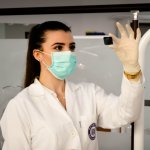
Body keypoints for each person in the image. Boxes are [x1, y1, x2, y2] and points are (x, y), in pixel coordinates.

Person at [0, 21, 144, 150]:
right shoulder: (20, 107)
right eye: (58, 47)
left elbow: (126, 113)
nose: (67, 53)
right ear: (38, 55)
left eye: (71, 47)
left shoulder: (89, 93)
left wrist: (131, 68)